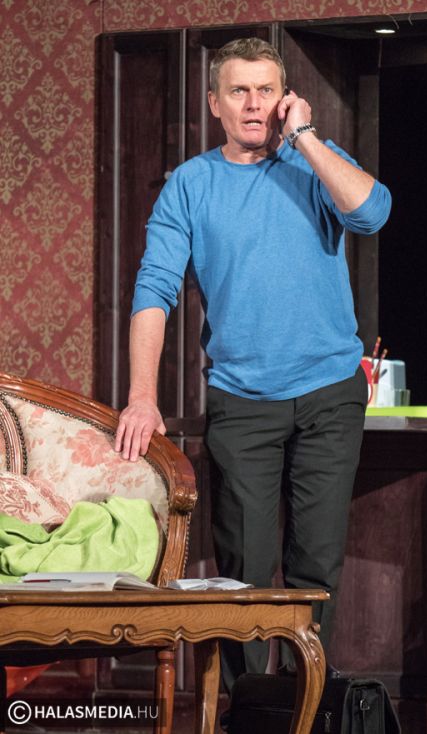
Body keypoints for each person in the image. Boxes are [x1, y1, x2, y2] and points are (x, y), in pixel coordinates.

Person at [115, 37, 391, 688]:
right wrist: (142, 396)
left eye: (266, 90)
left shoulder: (315, 163)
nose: (253, 103)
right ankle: (250, 708)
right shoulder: (191, 184)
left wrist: (307, 139)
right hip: (242, 401)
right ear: (215, 103)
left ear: (285, 98)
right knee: (243, 568)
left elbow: (373, 212)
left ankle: (305, 706)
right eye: (238, 90)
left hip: (330, 392)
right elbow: (154, 289)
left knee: (316, 566)